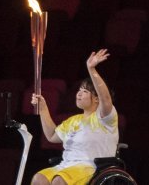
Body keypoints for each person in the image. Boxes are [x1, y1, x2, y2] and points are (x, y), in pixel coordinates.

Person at [30, 49, 119, 185]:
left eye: (85, 91)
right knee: (39, 179)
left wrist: (91, 69)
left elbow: (105, 98)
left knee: (59, 181)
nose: (79, 94)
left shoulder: (104, 118)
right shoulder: (73, 120)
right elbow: (52, 136)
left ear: (96, 99)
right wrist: (43, 107)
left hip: (90, 168)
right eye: (79, 90)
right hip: (66, 166)